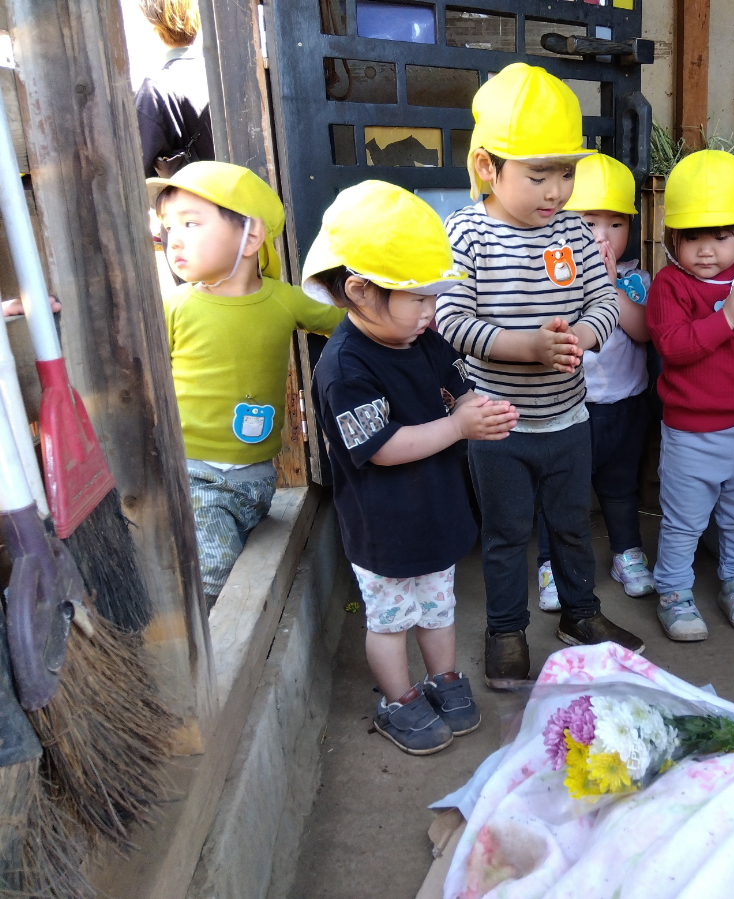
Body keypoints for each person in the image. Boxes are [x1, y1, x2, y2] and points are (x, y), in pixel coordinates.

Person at [435, 63, 644, 688]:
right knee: (505, 534)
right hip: (498, 424)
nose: (556, 191)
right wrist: (526, 347)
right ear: (486, 167)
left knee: (572, 526)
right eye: (538, 175)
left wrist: (583, 336)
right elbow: (450, 319)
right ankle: (506, 631)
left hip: (568, 419)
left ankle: (581, 615)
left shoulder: (574, 232)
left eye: (566, 173)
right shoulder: (466, 234)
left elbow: (603, 302)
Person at [305, 182, 516, 754]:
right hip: (384, 525)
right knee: (391, 619)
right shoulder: (344, 368)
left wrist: (476, 408)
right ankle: (397, 699)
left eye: (434, 296)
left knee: (439, 607)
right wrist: (458, 428)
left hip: (435, 509)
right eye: (418, 298)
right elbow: (383, 447)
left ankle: (443, 678)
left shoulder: (423, 339)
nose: (430, 310)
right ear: (360, 291)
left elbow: (454, 386)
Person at [149, 161, 344, 607]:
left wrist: (400, 303)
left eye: (190, 223)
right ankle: (212, 644)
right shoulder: (174, 305)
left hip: (258, 474)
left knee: (237, 559)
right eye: (168, 226)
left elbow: (344, 321)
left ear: (252, 236)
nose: (172, 239)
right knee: (216, 574)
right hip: (194, 471)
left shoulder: (282, 300)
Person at [645, 150, 734, 642]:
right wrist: (727, 318)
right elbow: (673, 346)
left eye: (721, 237)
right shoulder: (669, 284)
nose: (706, 251)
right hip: (691, 432)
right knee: (684, 519)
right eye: (692, 238)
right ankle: (673, 591)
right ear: (672, 238)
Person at [534, 154, 654, 611]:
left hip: (624, 405)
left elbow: (643, 332)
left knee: (620, 486)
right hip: (568, 407)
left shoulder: (635, 279)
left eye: (615, 224)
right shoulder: (551, 275)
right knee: (559, 492)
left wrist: (610, 285)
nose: (602, 236)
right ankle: (552, 565)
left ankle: (627, 553)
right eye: (588, 222)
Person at [135, 0, 214, 178]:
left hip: (192, 195)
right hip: (239, 192)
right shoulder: (221, 75)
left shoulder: (154, 91)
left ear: (152, 25)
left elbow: (134, 175)